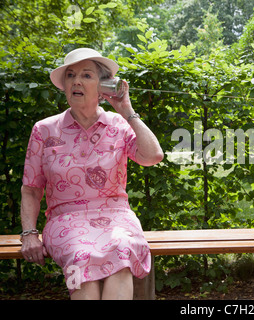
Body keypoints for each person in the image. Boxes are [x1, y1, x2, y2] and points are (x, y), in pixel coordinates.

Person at [20, 48, 164, 300]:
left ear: (103, 87)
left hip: (116, 217)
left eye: (86, 75)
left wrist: (127, 111)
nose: (76, 81)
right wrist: (29, 234)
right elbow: (31, 188)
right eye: (71, 75)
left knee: (121, 250)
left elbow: (153, 156)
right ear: (64, 85)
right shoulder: (44, 130)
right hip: (65, 221)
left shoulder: (119, 125)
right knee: (80, 256)